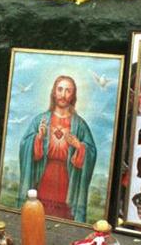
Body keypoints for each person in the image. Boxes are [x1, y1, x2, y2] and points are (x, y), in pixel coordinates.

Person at [18, 75, 97, 222]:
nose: (63, 94)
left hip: (68, 179)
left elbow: (91, 151)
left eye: (68, 91)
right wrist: (38, 138)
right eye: (60, 89)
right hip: (44, 176)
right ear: (54, 92)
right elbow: (24, 146)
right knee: (38, 213)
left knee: (64, 217)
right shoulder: (40, 120)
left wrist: (79, 146)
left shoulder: (80, 125)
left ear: (73, 96)